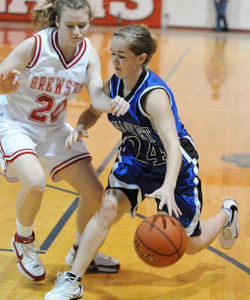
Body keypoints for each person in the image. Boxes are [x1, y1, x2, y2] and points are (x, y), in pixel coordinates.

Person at [45, 24, 239, 300]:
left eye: (121, 56)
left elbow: (173, 146)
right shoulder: (113, 84)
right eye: (112, 54)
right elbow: (92, 111)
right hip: (135, 160)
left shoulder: (153, 96)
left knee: (191, 245)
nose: (114, 61)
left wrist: (168, 185)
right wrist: (80, 126)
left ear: (142, 58)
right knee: (107, 210)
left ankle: (227, 213)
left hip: (174, 166)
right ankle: (73, 280)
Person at [0, 0, 130, 282]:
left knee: (94, 192)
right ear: (57, 22)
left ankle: (81, 251)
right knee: (34, 183)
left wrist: (112, 103)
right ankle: (23, 241)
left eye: (82, 25)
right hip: (14, 122)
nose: (77, 32)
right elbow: (1, 76)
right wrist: (3, 85)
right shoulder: (34, 46)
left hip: (54, 129)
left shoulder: (89, 55)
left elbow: (96, 96)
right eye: (70, 25)